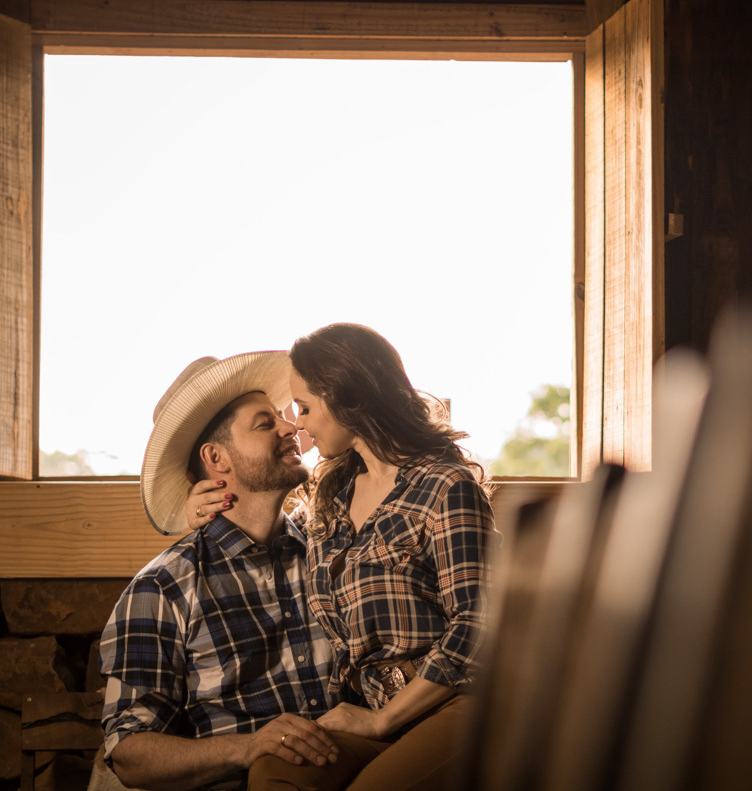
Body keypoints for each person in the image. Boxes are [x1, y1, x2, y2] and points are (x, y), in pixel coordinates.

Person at [187, 323, 498, 791]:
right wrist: (202, 511)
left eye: (305, 407)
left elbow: (477, 626)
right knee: (276, 771)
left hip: (456, 704)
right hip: (377, 712)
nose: (299, 425)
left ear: (346, 397)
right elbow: (260, 531)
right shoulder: (331, 497)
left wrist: (381, 722)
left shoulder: (445, 487)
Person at [99, 352, 341, 791]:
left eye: (286, 416)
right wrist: (247, 747)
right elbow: (129, 753)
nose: (293, 429)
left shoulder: (330, 548)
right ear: (217, 457)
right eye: (266, 423)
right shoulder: (163, 588)